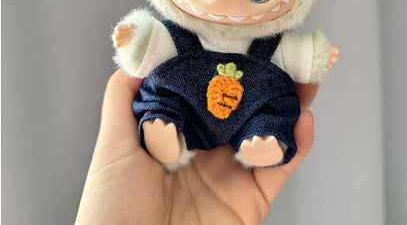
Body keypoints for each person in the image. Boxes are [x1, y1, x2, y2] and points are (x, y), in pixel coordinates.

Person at [75, 69, 317, 224]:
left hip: (250, 102)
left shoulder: (269, 41)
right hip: (187, 102)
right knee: (165, 97)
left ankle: (260, 140)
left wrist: (313, 57)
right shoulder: (177, 33)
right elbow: (152, 40)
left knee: (269, 110)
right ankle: (166, 130)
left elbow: (296, 54)